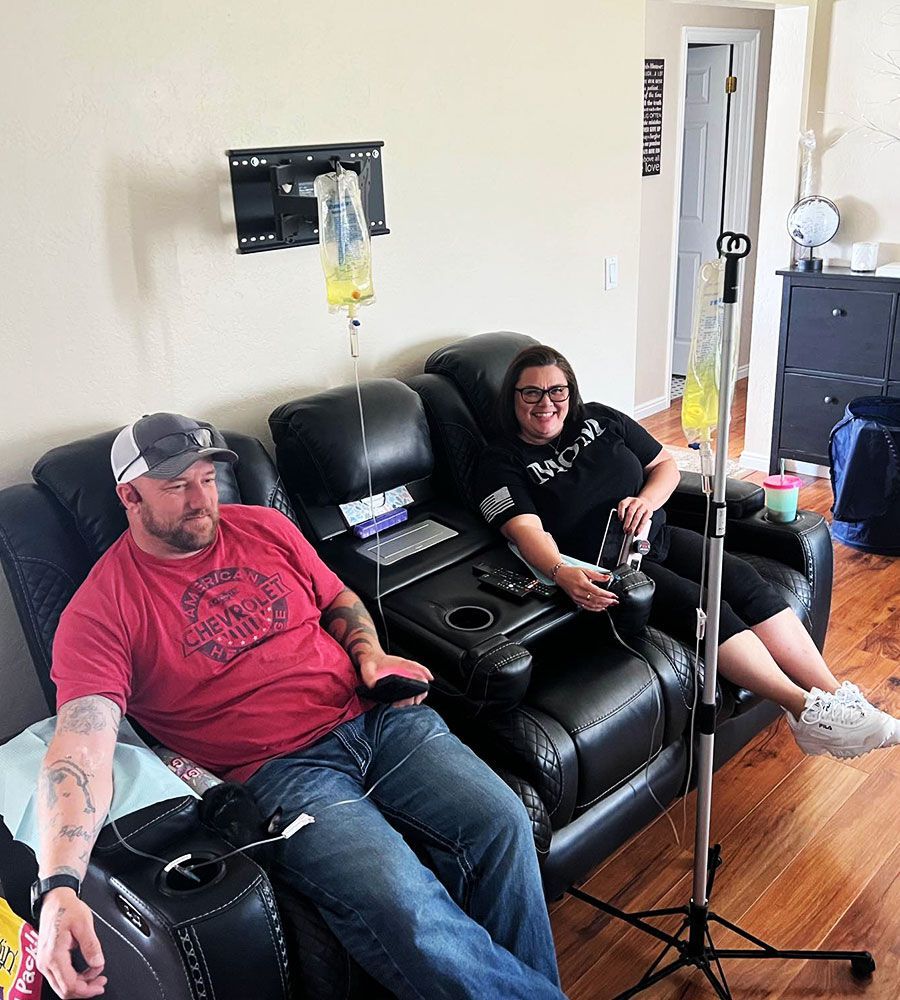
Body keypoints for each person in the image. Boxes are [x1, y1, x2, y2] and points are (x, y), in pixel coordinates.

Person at [33, 412, 565, 1000]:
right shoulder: (100, 611)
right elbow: (81, 745)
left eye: (207, 478)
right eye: (176, 485)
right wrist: (59, 886)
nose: (201, 499)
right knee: (402, 901)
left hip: (379, 720)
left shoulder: (263, 527)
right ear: (128, 495)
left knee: (502, 821)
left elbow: (337, 596)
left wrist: (371, 656)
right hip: (283, 774)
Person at [477, 344, 900, 761]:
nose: (546, 403)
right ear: (512, 398)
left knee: (742, 580)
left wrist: (647, 502)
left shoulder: (600, 419)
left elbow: (664, 465)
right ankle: (805, 711)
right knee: (707, 608)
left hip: (655, 535)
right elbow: (524, 529)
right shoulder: (499, 460)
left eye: (557, 391)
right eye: (531, 392)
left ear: (571, 391)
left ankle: (836, 697)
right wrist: (559, 569)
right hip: (613, 571)